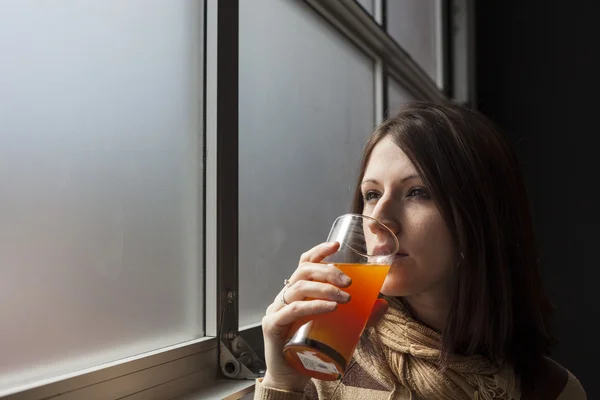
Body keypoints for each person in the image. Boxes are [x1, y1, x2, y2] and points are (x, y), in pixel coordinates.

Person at [254, 102, 586, 399]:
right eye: (371, 194)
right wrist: (281, 385)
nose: (378, 219)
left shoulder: (551, 390)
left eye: (417, 192)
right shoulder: (324, 357)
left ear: (483, 216)